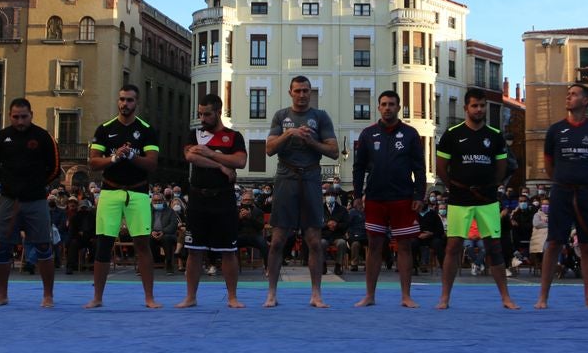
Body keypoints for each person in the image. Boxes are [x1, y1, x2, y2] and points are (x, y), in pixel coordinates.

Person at [436, 88, 518, 310]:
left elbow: (501, 168)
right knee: (453, 247)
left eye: (482, 105)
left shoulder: (495, 135)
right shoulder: (452, 134)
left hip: (487, 200)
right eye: (475, 105)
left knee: (494, 247)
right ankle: (444, 298)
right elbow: (441, 167)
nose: (479, 109)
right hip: (459, 198)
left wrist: (491, 186)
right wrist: (454, 185)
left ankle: (506, 298)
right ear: (466, 108)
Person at [264, 76, 339, 308]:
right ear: (290, 92)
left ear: (310, 92)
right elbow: (268, 149)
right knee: (277, 240)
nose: (302, 94)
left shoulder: (320, 116)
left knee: (314, 240)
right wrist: (289, 134)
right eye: (298, 90)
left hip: (311, 177)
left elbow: (334, 151)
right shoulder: (280, 115)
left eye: (306, 90)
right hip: (286, 176)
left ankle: (316, 294)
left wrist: (311, 141)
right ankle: (271, 294)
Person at [85, 84, 162, 309]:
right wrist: (114, 159)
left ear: (136, 103)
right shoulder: (105, 129)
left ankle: (149, 298)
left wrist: (131, 155)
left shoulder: (147, 129)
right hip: (110, 191)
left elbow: (152, 163)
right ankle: (97, 297)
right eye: (121, 99)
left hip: (137, 191)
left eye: (129, 100)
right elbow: (94, 162)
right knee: (103, 244)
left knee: (142, 244)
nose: (124, 104)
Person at [535, 84, 588, 310]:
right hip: (561, 190)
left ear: (586, 100)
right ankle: (543, 298)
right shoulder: (555, 130)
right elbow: (549, 164)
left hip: (587, 192)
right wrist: (563, 179)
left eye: (574, 94)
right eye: (568, 94)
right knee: (554, 242)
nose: (569, 97)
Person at [0, 98, 60, 307]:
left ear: (31, 115)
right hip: (9, 200)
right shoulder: (1, 137)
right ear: (10, 116)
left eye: (24, 116)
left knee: (44, 245)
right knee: (1, 247)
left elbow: (54, 168)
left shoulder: (43, 137)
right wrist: (9, 184)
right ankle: (2, 295)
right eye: (15, 117)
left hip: (36, 200)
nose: (19, 121)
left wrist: (35, 184)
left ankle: (47, 296)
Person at [350, 90, 424, 306]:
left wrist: (419, 194)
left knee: (404, 246)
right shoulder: (367, 134)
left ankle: (406, 296)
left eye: (392, 104)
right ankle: (370, 295)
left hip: (403, 197)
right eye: (384, 104)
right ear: (378, 107)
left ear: (398, 107)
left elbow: (419, 168)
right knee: (373, 245)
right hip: (374, 197)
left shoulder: (411, 134)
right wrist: (356, 194)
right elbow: (358, 167)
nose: (388, 107)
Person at [176, 93, 247, 308]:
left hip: (223, 198)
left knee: (228, 250)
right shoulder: (194, 135)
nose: (203, 118)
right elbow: (191, 157)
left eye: (207, 114)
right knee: (194, 250)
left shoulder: (234, 136)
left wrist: (210, 153)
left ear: (218, 112)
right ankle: (190, 296)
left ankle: (232, 297)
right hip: (198, 197)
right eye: (200, 114)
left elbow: (240, 161)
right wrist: (221, 166)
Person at [149, 192, 180, 274]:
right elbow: (144, 224)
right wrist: (151, 231)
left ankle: (169, 265)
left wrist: (163, 231)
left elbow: (174, 225)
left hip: (166, 234)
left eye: (159, 200)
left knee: (167, 239)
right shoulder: (147, 211)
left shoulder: (170, 211)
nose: (157, 202)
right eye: (155, 201)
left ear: (163, 201)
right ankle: (145, 266)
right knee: (145, 240)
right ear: (152, 201)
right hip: (151, 234)